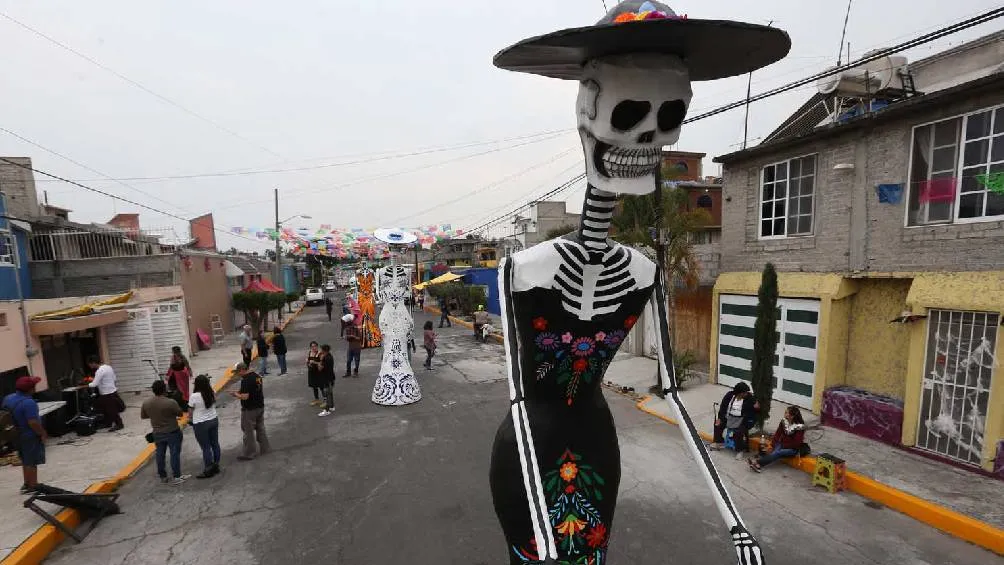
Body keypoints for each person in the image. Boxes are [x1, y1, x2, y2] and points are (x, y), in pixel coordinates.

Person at [2, 376, 48, 494]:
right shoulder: (29, 403)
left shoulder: (8, 398)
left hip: (15, 434)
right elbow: (32, 422)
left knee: (25, 460)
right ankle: (33, 486)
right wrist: (42, 433)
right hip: (29, 435)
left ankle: (27, 483)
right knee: (32, 461)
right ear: (30, 389)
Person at [141, 380, 187, 485]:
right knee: (174, 454)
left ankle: (163, 476)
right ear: (164, 390)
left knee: (160, 454)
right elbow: (180, 413)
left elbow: (143, 416)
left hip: (157, 432)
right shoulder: (170, 402)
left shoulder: (146, 402)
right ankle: (176, 476)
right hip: (172, 431)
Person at [230, 362, 270, 461]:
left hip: (249, 410)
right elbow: (254, 389)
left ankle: (249, 453)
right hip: (260, 406)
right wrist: (239, 391)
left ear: (242, 370)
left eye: (238, 372)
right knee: (260, 428)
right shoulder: (257, 376)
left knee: (248, 431)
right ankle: (265, 448)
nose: (237, 374)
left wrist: (235, 395)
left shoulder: (246, 380)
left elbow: (245, 397)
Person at [748, 406, 806, 472]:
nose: (784, 414)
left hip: (792, 449)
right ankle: (758, 465)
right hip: (782, 444)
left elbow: (796, 443)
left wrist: (783, 446)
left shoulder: (799, 427)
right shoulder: (784, 421)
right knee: (773, 452)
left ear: (792, 416)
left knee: (778, 453)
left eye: (786, 413)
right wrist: (772, 445)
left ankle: (757, 462)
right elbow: (778, 434)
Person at [711, 382, 758, 458]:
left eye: (746, 392)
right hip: (729, 417)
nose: (746, 394)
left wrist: (756, 407)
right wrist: (720, 418)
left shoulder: (749, 398)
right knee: (718, 424)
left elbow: (755, 411)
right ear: (739, 393)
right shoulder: (729, 395)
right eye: (744, 392)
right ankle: (719, 442)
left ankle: (739, 450)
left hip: (742, 420)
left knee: (738, 431)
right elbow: (723, 407)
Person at [188, 375, 221, 479]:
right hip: (213, 420)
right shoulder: (212, 392)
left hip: (200, 423)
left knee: (206, 447)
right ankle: (216, 465)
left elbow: (190, 410)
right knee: (215, 444)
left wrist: (190, 419)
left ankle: (208, 469)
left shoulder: (194, 396)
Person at [87, 355, 124, 432]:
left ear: (93, 363)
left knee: (111, 410)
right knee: (105, 408)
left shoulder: (99, 371)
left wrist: (84, 385)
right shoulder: (108, 367)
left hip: (106, 393)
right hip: (112, 391)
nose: (89, 366)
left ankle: (119, 424)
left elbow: (94, 384)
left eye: (90, 364)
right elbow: (114, 378)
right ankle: (108, 423)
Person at [318, 344, 336, 417]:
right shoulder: (330, 356)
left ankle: (327, 410)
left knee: (327, 394)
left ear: (324, 351)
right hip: (331, 378)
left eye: (321, 350)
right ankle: (332, 406)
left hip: (327, 379)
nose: (320, 351)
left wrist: (321, 360)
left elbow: (320, 368)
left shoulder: (325, 358)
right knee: (330, 393)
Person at [306, 341, 324, 406]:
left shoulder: (320, 353)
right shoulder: (309, 353)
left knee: (321, 386)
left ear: (317, 346)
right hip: (312, 372)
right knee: (314, 386)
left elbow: (322, 363)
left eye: (315, 346)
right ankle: (317, 399)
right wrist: (308, 363)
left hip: (319, 372)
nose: (314, 348)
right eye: (312, 346)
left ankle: (325, 400)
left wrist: (314, 362)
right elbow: (308, 361)